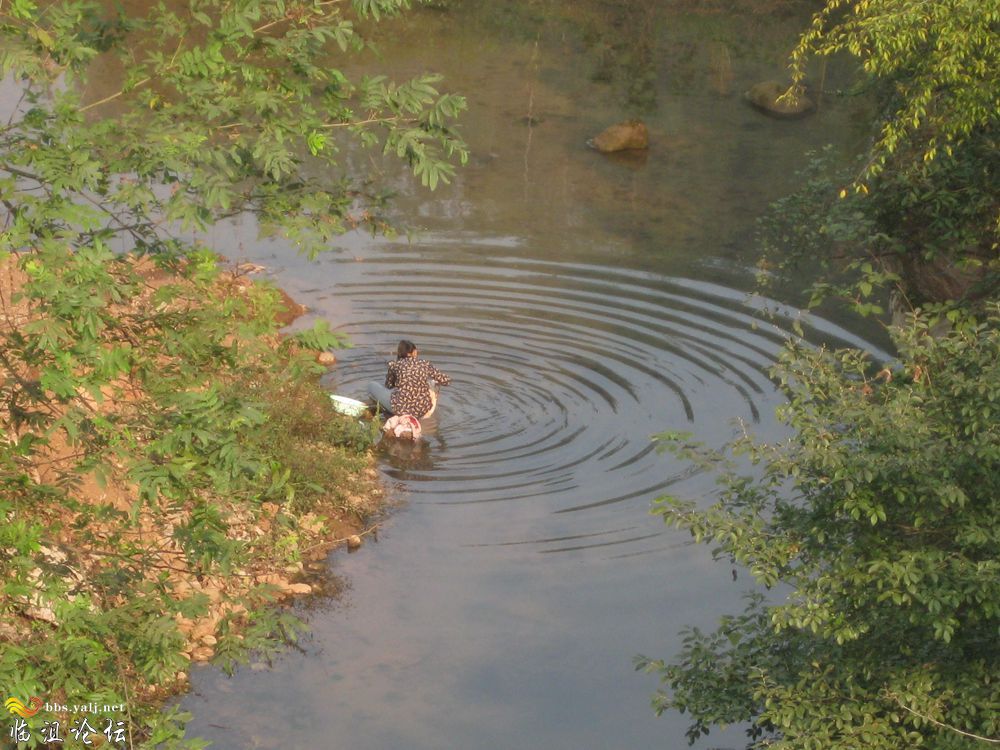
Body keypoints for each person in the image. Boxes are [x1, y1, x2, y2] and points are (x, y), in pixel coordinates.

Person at [367, 340, 451, 418]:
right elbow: (446, 381)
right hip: (422, 409)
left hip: (400, 409)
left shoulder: (394, 365)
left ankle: (380, 411)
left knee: (371, 385)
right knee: (430, 383)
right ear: (414, 352)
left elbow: (388, 386)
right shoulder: (424, 363)